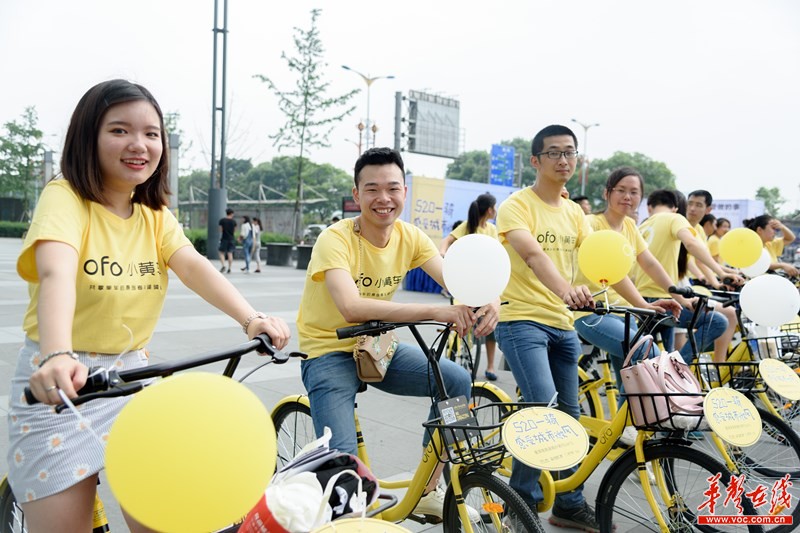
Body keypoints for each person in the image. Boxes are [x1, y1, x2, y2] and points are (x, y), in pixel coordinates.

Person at [8, 79, 291, 533]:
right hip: (57, 384)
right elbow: (56, 272)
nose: (139, 144)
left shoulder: (154, 215)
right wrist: (57, 354)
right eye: (119, 130)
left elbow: (195, 267)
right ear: (89, 137)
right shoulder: (65, 198)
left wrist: (251, 318)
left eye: (151, 133)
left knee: (170, 517)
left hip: (128, 379)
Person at [296, 147, 498, 522]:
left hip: (375, 346)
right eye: (372, 189)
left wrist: (490, 299)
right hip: (327, 350)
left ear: (404, 191)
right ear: (356, 195)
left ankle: (428, 488)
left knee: (453, 380)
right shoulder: (335, 239)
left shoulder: (411, 237)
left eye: (392, 188)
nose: (383, 198)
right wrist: (436, 311)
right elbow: (352, 308)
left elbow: (458, 279)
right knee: (344, 471)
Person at [495, 125, 601, 531]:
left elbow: (594, 261)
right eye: (554, 153)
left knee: (571, 417)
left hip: (564, 325)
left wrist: (639, 301)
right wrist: (566, 292)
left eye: (570, 153)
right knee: (541, 406)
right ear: (536, 161)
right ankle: (520, 503)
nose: (563, 160)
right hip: (522, 320)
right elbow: (534, 255)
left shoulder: (575, 212)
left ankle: (569, 504)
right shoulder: (516, 206)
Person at [573, 167, 683, 400]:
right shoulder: (591, 223)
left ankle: (624, 430)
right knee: (646, 352)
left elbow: (650, 264)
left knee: (631, 379)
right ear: (606, 193)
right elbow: (610, 270)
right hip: (591, 312)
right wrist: (643, 303)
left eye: (634, 192)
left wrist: (679, 295)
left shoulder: (631, 227)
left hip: (624, 314)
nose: (627, 197)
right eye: (621, 190)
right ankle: (627, 425)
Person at [631, 189, 740, 363]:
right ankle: (678, 368)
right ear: (676, 208)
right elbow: (690, 244)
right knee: (718, 321)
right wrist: (721, 272)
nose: (692, 209)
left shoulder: (642, 226)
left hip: (642, 300)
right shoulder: (675, 219)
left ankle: (670, 374)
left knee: (647, 364)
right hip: (664, 300)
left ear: (650, 207)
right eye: (690, 204)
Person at [438, 193, 501, 381]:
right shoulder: (467, 227)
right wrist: (443, 254)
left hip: (486, 283)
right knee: (463, 319)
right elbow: (446, 241)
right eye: (495, 207)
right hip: (465, 281)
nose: (496, 210)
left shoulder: (491, 229)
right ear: (490, 210)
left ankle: (490, 366)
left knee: (490, 326)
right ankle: (459, 356)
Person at [218, 208, 236, 273]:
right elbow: (234, 230)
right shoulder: (234, 222)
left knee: (221, 252)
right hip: (231, 239)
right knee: (230, 253)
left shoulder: (222, 221)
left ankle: (223, 265)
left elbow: (220, 230)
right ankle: (230, 268)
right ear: (231, 213)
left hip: (224, 238)